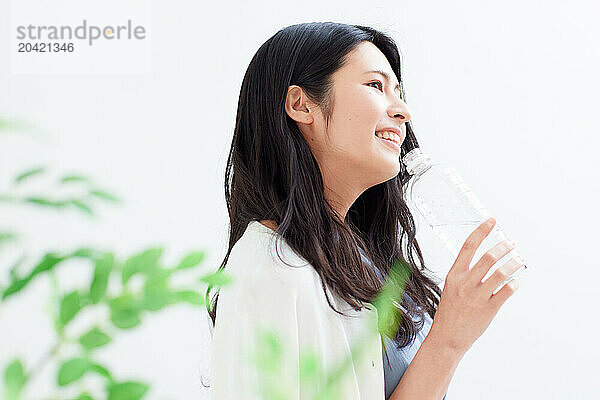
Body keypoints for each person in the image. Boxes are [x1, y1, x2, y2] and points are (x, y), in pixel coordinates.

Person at [205, 22, 524, 400]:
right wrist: (448, 341)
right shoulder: (271, 273)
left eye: (399, 92)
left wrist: (451, 339)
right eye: (376, 86)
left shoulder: (354, 257)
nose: (403, 111)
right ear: (301, 104)